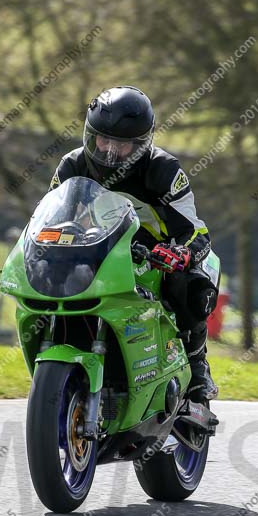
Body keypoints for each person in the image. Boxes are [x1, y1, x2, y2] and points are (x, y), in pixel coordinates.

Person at [48, 85, 218, 402]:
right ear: (90, 135)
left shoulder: (163, 170)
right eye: (104, 140)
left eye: (122, 145)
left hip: (153, 256)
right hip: (96, 251)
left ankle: (197, 365)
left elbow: (195, 230)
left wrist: (181, 254)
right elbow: (49, 219)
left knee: (190, 286)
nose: (110, 153)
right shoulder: (71, 166)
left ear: (142, 144)